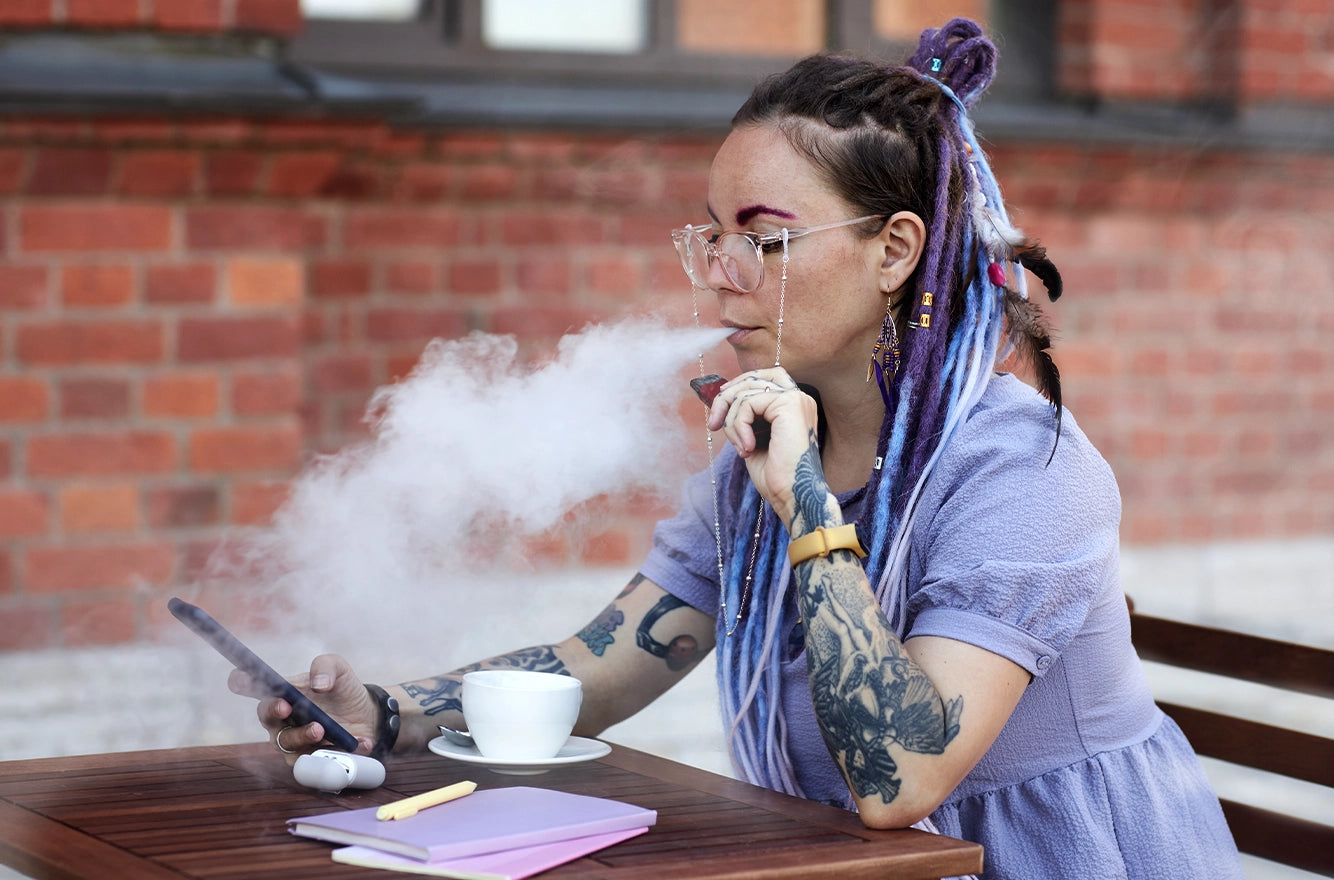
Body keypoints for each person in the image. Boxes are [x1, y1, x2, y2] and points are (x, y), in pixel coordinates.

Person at [232, 19, 1243, 880]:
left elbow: (901, 778)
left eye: (764, 239)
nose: (721, 274)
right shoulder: (768, 454)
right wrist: (384, 713)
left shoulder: (1022, 469)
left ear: (894, 250)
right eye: (713, 235)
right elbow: (606, 661)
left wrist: (805, 500)